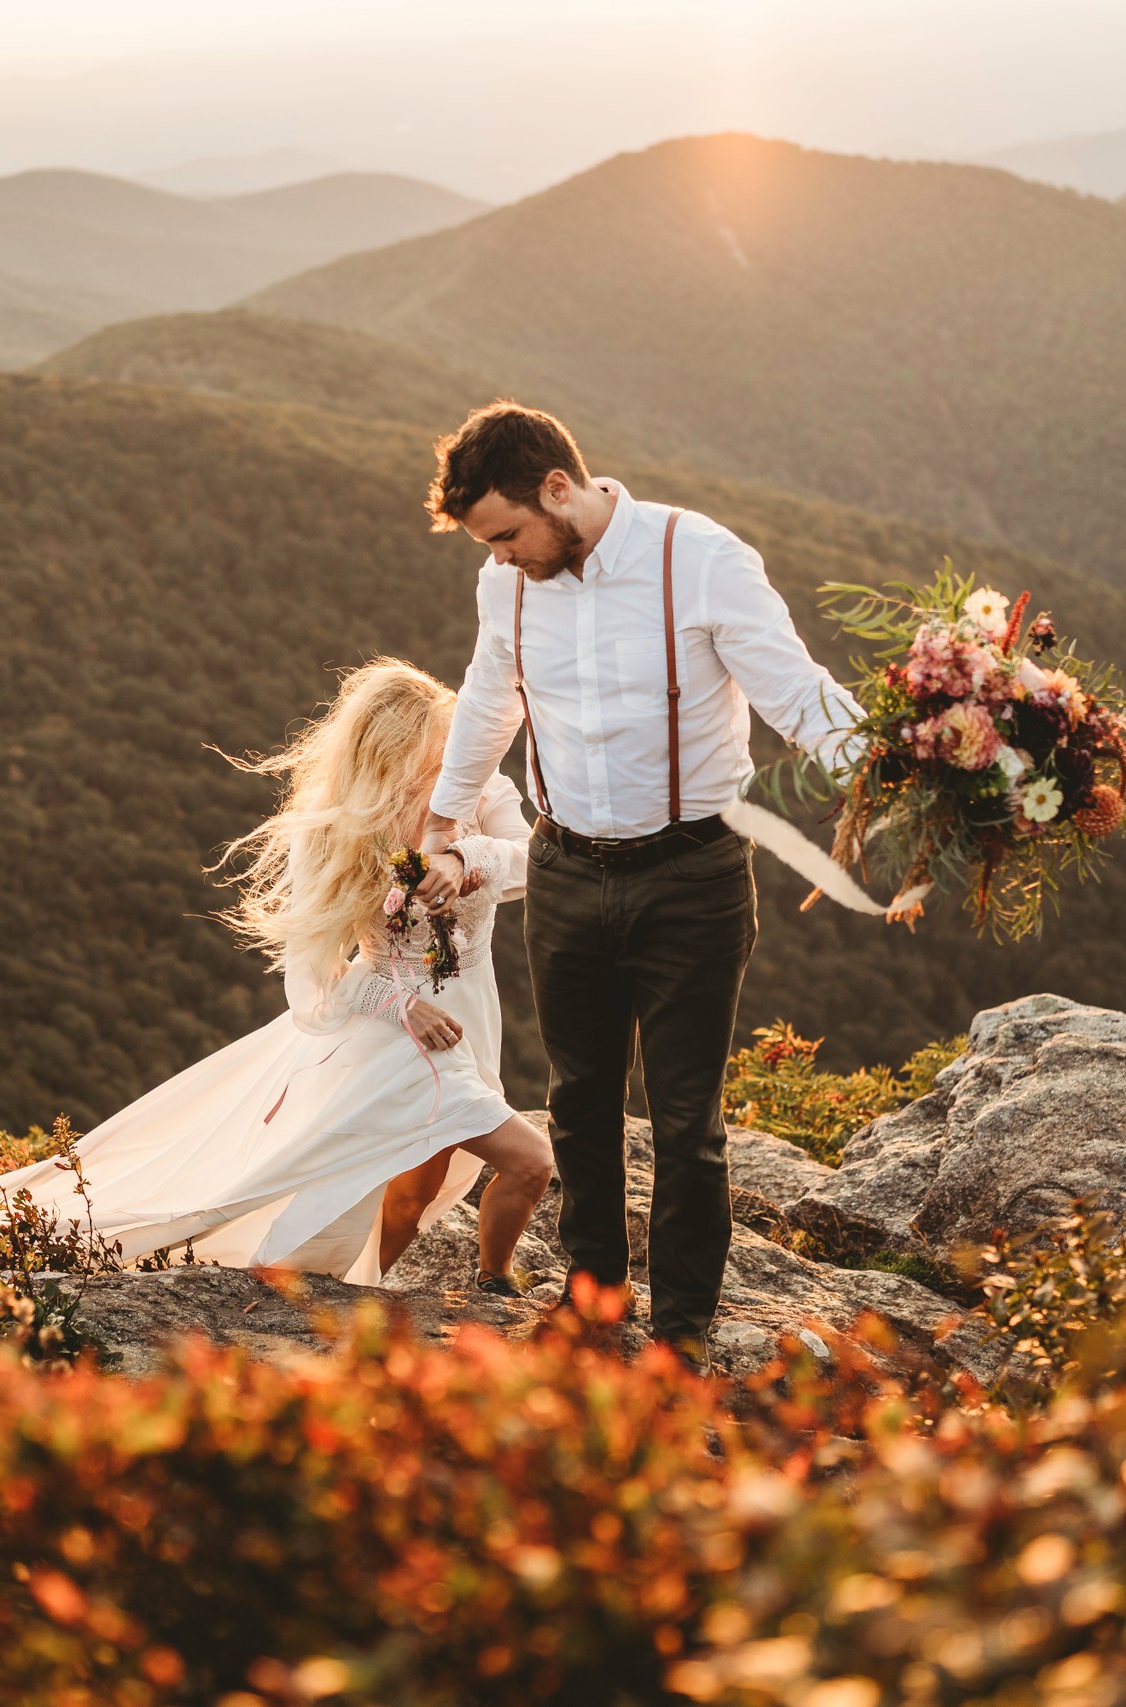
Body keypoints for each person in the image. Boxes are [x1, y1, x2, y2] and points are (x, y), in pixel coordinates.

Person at [413, 403, 862, 1362]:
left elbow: (793, 689)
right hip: (566, 866)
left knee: (688, 1116)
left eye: (506, 535)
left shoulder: (698, 557)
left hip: (693, 873)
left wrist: (896, 760)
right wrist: (445, 821)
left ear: (559, 489)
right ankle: (593, 1302)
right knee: (578, 1101)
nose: (499, 560)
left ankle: (684, 1330)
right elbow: (493, 700)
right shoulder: (510, 587)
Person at [0, 659, 554, 1289]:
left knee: (415, 1192)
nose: (449, 758)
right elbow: (310, 984)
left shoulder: (475, 788)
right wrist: (401, 1006)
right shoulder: (336, 830)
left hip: (471, 1017)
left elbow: (536, 862)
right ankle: (492, 1285)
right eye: (435, 746)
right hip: (396, 1035)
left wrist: (465, 859)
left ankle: (372, 1291)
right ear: (393, 752)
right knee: (527, 1162)